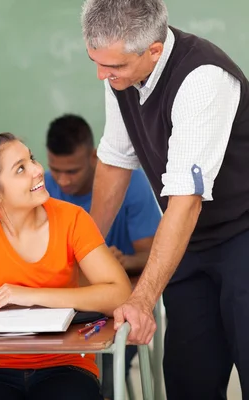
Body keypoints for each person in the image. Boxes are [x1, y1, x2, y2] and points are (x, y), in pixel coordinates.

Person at [81, 0, 249, 398]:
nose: (101, 75)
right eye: (96, 61)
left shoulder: (203, 77)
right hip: (191, 240)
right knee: (188, 378)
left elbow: (186, 200)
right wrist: (83, 253)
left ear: (154, 50)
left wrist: (141, 301)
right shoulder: (120, 76)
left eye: (114, 66)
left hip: (243, 232)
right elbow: (115, 162)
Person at [0, 132, 132, 400]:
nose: (38, 170)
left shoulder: (72, 219)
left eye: (32, 159)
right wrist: (2, 303)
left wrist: (28, 295)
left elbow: (120, 294)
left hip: (66, 366)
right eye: (21, 169)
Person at [45, 114, 161, 398]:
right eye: (55, 170)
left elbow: (152, 253)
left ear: (94, 157)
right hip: (59, 309)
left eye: (71, 171)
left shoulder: (131, 184)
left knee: (103, 379)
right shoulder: (41, 189)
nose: (63, 180)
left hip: (115, 310)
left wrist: (121, 262)